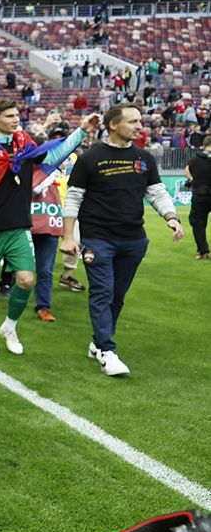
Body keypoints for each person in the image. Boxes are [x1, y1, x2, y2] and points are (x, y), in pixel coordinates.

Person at [0, 104, 93, 355]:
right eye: (9, 116)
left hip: (19, 227)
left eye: (17, 115)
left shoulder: (24, 147)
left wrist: (82, 131)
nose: (15, 119)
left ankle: (10, 327)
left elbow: (53, 155)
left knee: (26, 279)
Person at [61, 103, 183, 376]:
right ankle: (107, 351)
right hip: (97, 239)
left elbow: (157, 192)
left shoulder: (144, 158)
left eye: (140, 121)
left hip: (133, 240)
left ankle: (97, 343)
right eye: (133, 121)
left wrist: (171, 216)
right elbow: (74, 198)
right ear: (113, 125)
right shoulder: (90, 158)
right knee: (102, 292)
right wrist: (68, 236)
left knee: (117, 296)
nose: (140, 126)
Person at [29, 162, 65, 323]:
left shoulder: (59, 173)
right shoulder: (26, 169)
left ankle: (43, 306)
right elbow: (34, 189)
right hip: (26, 224)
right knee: (21, 269)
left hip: (50, 225)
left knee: (45, 270)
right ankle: (9, 295)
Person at [186, 138, 211, 260]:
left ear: (204, 145)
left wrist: (191, 180)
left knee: (198, 223)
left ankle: (203, 252)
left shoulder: (194, 160)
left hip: (200, 195)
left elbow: (187, 170)